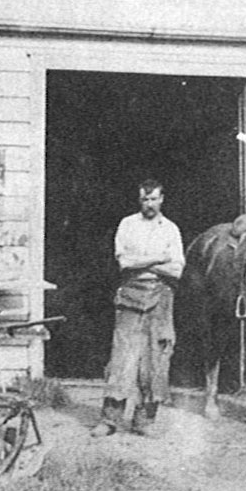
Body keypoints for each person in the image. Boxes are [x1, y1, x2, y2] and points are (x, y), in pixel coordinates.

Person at [96, 179, 185, 437]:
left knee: (155, 358)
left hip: (161, 297)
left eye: (154, 199)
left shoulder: (170, 230)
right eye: (145, 199)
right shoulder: (127, 225)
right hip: (129, 296)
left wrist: (143, 265)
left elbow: (177, 270)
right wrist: (158, 259)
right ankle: (109, 419)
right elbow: (124, 262)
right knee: (122, 358)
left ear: (162, 199)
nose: (149, 204)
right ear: (139, 200)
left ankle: (144, 421)